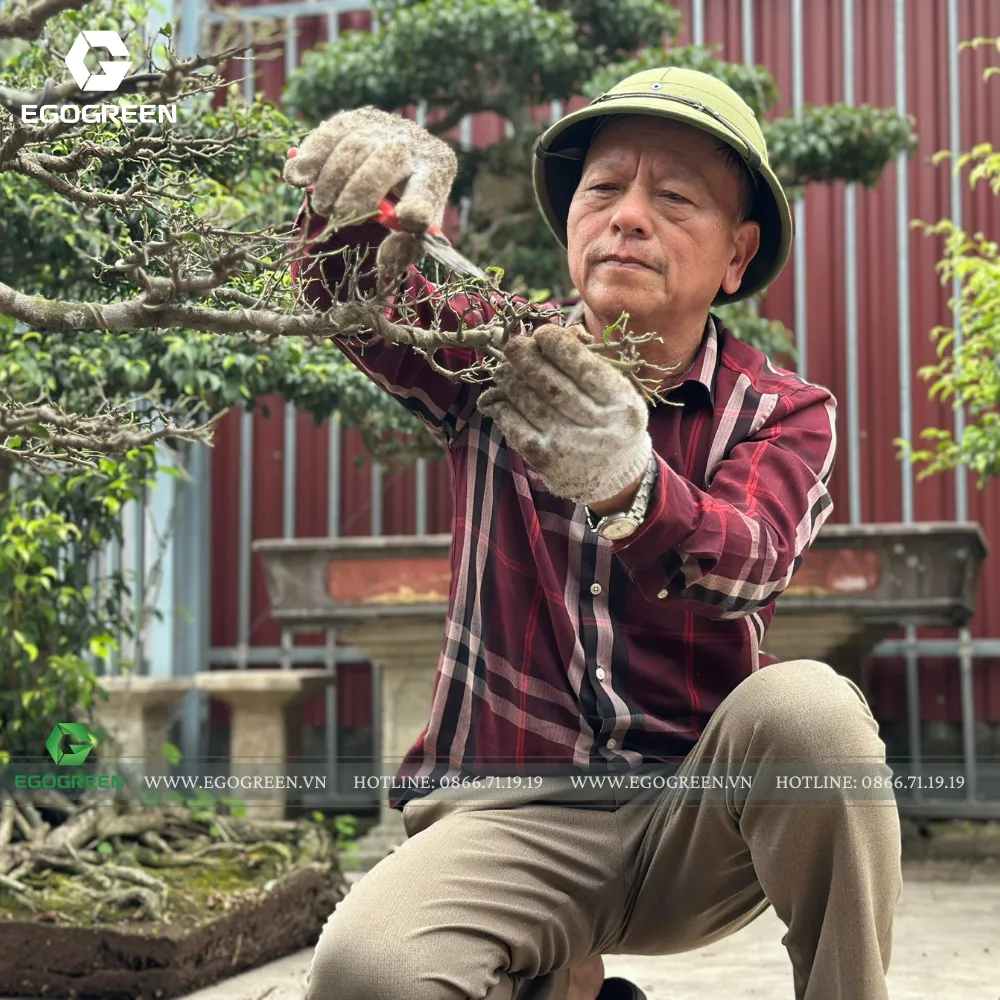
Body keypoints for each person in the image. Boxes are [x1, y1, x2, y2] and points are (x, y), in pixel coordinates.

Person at [283, 67, 902, 1000]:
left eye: (675, 199)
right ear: (571, 223)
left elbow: (751, 559)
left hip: (698, 821)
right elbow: (346, 293)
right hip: (508, 813)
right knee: (367, 974)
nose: (629, 217)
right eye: (604, 188)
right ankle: (565, 983)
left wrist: (632, 486)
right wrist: (368, 188)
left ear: (737, 256)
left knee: (813, 712)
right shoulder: (497, 351)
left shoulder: (781, 411)